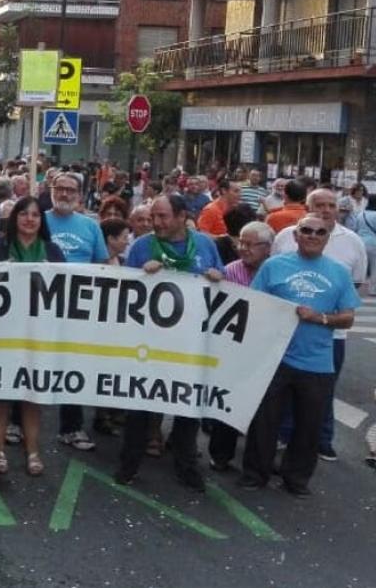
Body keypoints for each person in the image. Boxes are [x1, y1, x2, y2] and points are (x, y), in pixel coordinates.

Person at [240, 215, 360, 497]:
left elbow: (348, 318)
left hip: (317, 362)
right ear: (296, 235)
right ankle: (255, 473)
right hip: (275, 358)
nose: (313, 235)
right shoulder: (273, 266)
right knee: (265, 421)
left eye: (320, 232)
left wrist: (318, 317)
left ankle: (296, 479)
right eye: (306, 230)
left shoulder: (339, 272)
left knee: (309, 426)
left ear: (326, 238)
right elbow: (254, 305)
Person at [116, 194, 225, 491]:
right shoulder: (141, 246)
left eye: (163, 217)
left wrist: (218, 278)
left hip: (191, 343)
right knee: (140, 407)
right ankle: (129, 464)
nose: (156, 223)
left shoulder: (204, 245)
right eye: (153, 217)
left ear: (182, 217)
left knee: (187, 407)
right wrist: (141, 275)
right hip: (148, 343)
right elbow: (119, 293)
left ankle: (186, 466)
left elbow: (223, 287)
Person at [271, 188, 367, 462]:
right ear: (307, 207)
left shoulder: (352, 242)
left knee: (322, 391)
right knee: (284, 389)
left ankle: (322, 440)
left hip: (331, 335)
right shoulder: (286, 237)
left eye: (331, 205)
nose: (326, 210)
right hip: (285, 331)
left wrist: (327, 314)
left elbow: (357, 284)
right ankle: (283, 435)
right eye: (319, 205)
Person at [0, 196, 64, 477]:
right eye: (24, 214)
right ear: (14, 217)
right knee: (2, 392)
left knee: (32, 393)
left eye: (36, 215)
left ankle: (32, 450)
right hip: (2, 333)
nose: (30, 220)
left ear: (42, 221)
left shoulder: (52, 251)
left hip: (38, 334)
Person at [44, 171, 112, 452]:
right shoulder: (38, 220)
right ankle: (16, 421)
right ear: (51, 190)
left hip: (77, 306)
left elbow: (102, 264)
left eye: (71, 190)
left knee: (73, 365)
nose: (64, 194)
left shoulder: (91, 226)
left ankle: (71, 428)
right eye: (59, 188)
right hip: (41, 304)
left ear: (80, 195)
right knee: (28, 360)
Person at [207, 221, 276, 472]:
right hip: (234, 350)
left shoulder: (278, 271)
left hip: (266, 351)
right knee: (229, 402)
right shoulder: (230, 271)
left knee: (263, 410)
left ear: (268, 247)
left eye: (250, 244)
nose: (243, 248)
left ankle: (257, 462)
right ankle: (220, 455)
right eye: (241, 243)